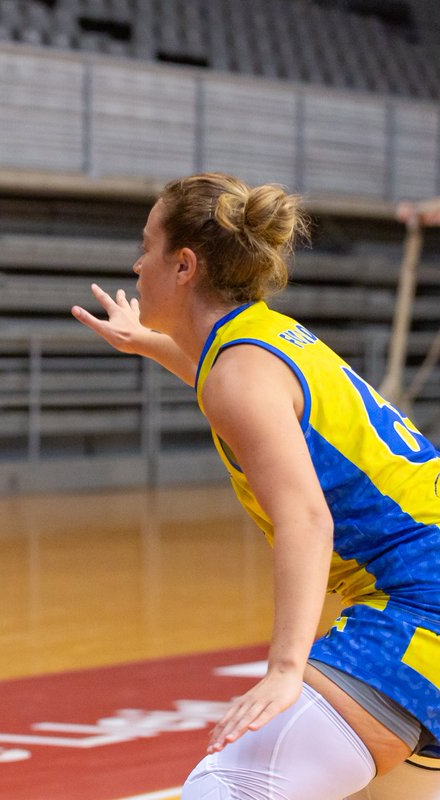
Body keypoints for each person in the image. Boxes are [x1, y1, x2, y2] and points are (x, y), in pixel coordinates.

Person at [72, 173, 440, 799]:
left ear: (183, 264)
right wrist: (150, 344)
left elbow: (306, 519)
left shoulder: (238, 374)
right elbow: (227, 381)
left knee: (228, 789)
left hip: (417, 608)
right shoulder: (262, 339)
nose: (136, 265)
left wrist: (284, 670)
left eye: (146, 246)